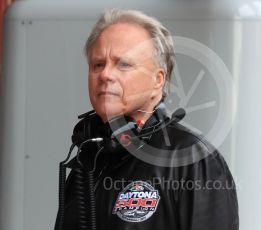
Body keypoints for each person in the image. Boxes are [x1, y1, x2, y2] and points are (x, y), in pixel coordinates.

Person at [55, 8, 239, 230]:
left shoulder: (192, 159)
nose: (105, 75)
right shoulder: (87, 161)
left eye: (123, 64)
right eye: (98, 64)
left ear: (157, 80)